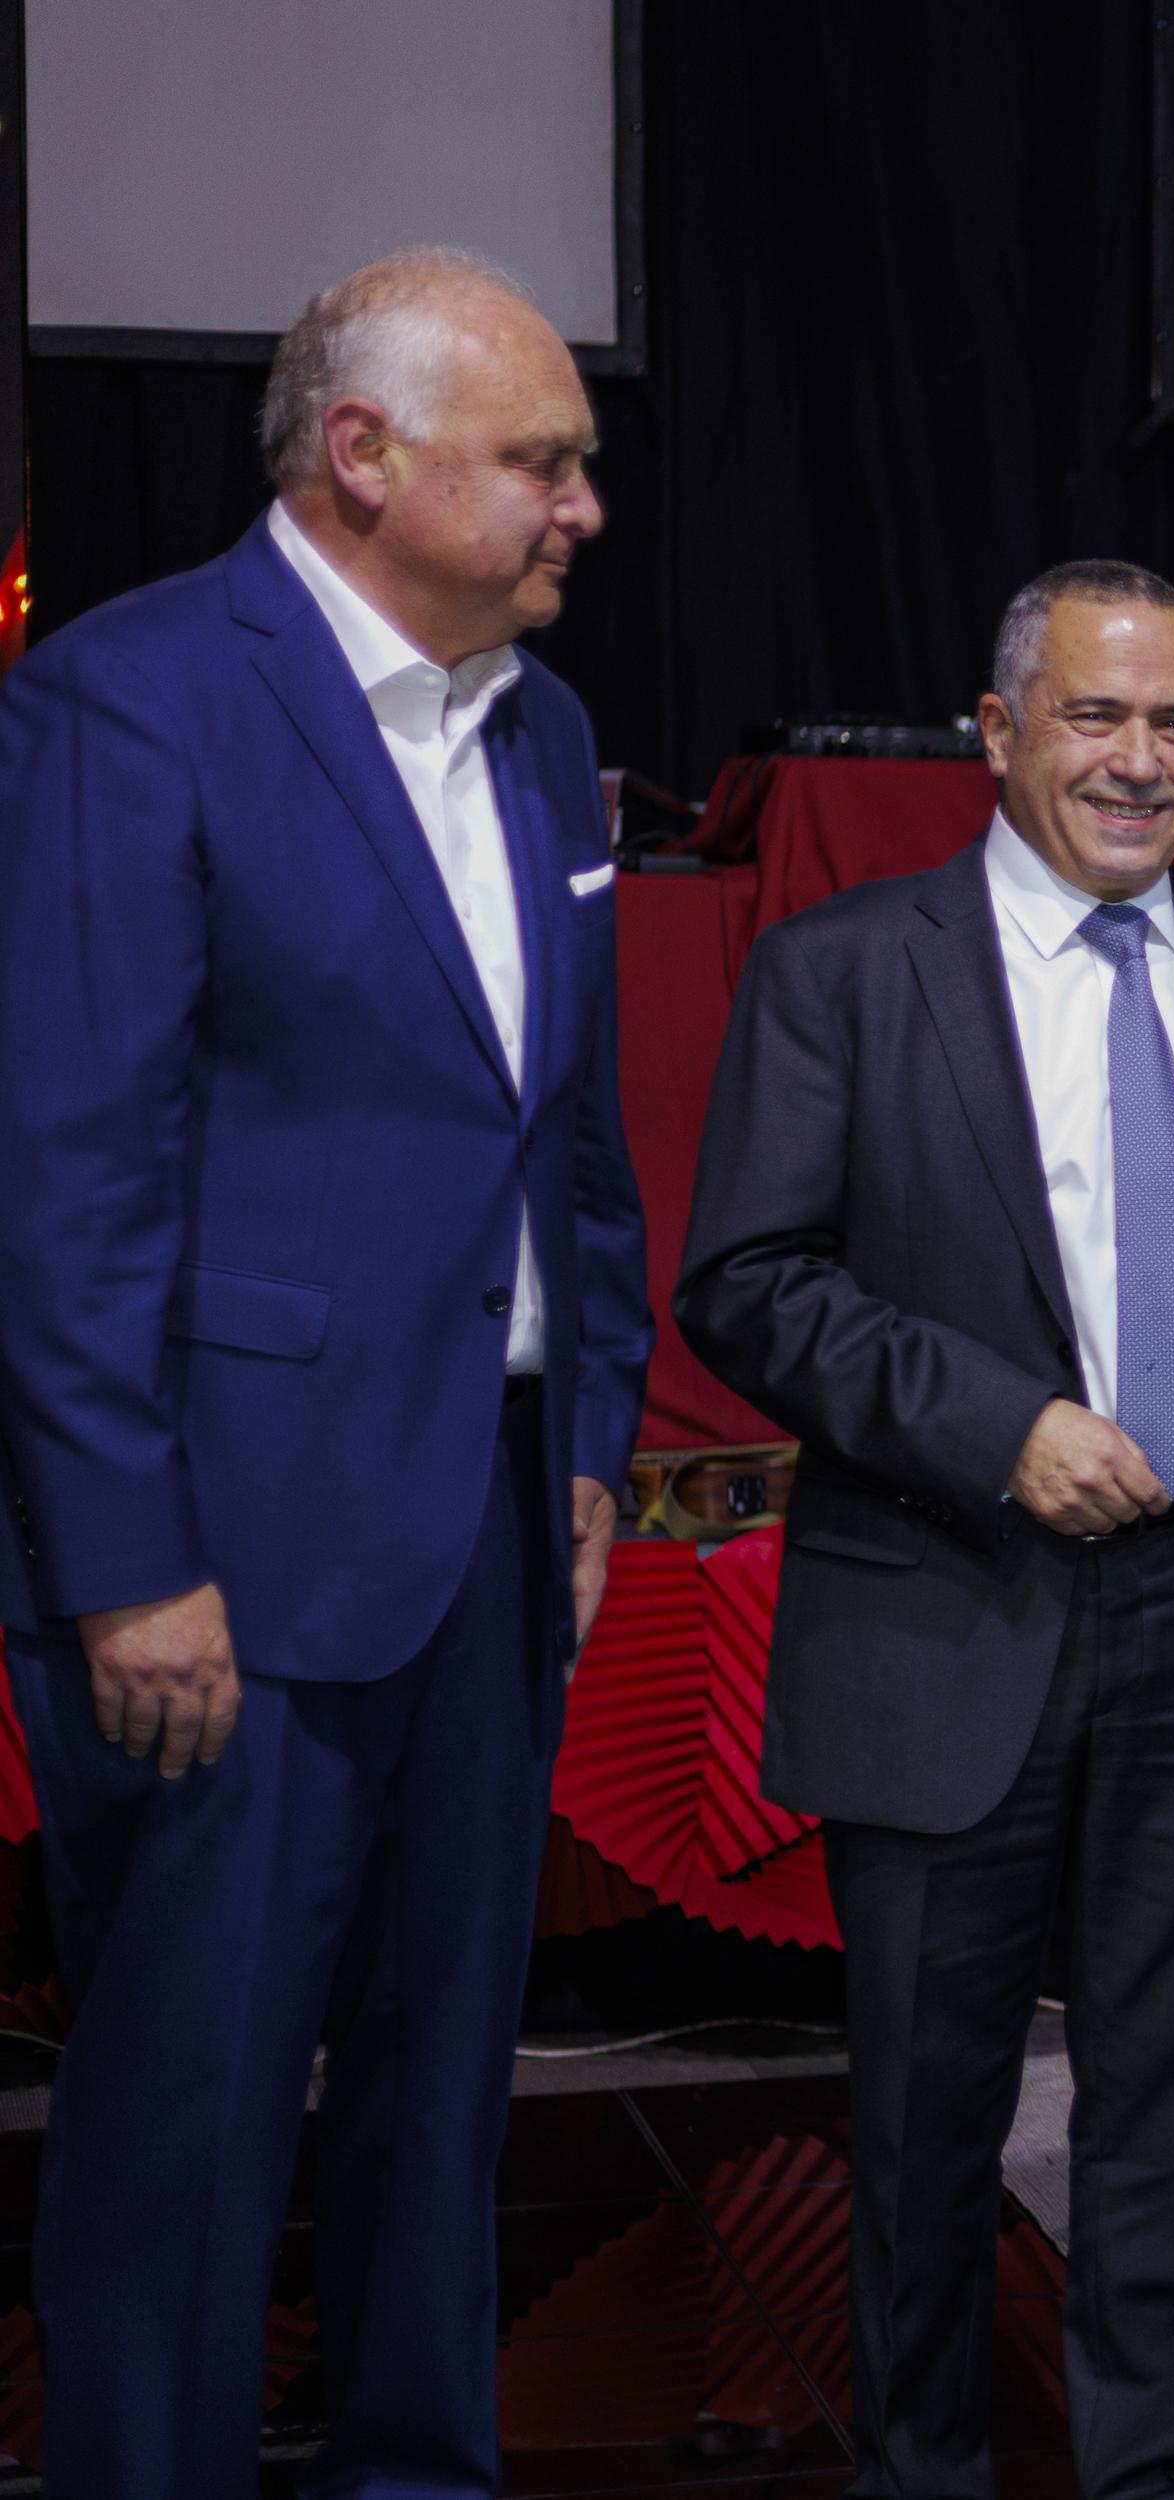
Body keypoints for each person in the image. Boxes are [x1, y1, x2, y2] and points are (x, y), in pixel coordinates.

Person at [0, 250, 651, 2497]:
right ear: (360, 456)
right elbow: (64, 1174)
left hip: (489, 1518)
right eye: (541, 461)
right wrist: (123, 1562)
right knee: (186, 2113)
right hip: (222, 1555)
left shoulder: (543, 727)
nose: (583, 505)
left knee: (443, 2087)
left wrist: (593, 1439)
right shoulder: (130, 700)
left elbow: (565, 1134)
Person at [675, 561, 1174, 2495]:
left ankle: (1151, 2470)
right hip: (948, 1599)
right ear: (997, 733)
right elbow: (747, 1283)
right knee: (926, 2124)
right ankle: (919, 2470)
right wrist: (993, 1424)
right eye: (1095, 716)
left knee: (1173, 2113)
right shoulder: (847, 967)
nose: (1139, 761)